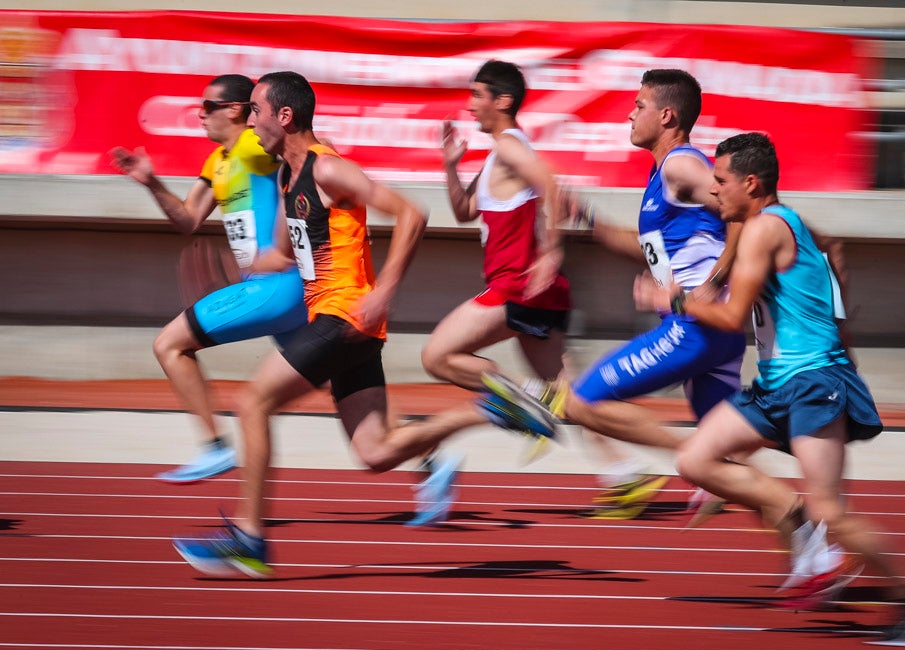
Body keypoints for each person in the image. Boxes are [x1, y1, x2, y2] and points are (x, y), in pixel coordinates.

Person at [172, 71, 555, 578]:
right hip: (346, 325)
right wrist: (228, 278)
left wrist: (386, 290)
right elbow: (284, 256)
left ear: (284, 116)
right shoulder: (289, 178)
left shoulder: (328, 170)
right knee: (375, 452)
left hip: (344, 315)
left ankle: (249, 539)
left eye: (257, 110)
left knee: (253, 403)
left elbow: (411, 213)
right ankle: (490, 408)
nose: (251, 120)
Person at [643, 131, 905, 646]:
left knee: (830, 510)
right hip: (776, 386)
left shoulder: (766, 228)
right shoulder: (766, 224)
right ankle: (802, 530)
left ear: (750, 182)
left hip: (811, 384)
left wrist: (674, 299)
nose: (713, 192)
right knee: (696, 460)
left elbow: (729, 316)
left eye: (720, 182)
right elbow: (826, 260)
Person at [514, 69, 747, 520]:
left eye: (638, 106)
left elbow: (743, 210)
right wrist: (587, 218)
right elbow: (652, 250)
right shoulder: (663, 176)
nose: (629, 114)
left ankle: (699, 461)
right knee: (739, 452)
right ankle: (814, 539)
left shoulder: (682, 165)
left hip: (694, 327)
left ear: (666, 115)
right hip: (712, 333)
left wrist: (713, 282)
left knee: (581, 401)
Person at [110, 74, 307, 483]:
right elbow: (187, 219)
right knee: (340, 380)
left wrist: (289, 240)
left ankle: (215, 447)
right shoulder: (217, 163)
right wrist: (151, 182)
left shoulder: (256, 147)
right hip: (285, 295)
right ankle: (430, 460)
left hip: (277, 286)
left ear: (235, 109)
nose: (200, 114)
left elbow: (310, 159)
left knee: (169, 345)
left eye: (208, 107)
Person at [425, 59, 571, 452]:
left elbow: (551, 186)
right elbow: (463, 212)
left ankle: (524, 398)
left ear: (502, 100)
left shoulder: (508, 146)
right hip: (535, 289)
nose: (470, 106)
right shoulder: (498, 154)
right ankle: (622, 472)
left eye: (477, 95)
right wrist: (450, 167)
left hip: (515, 286)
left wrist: (552, 252)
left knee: (437, 356)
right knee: (569, 397)